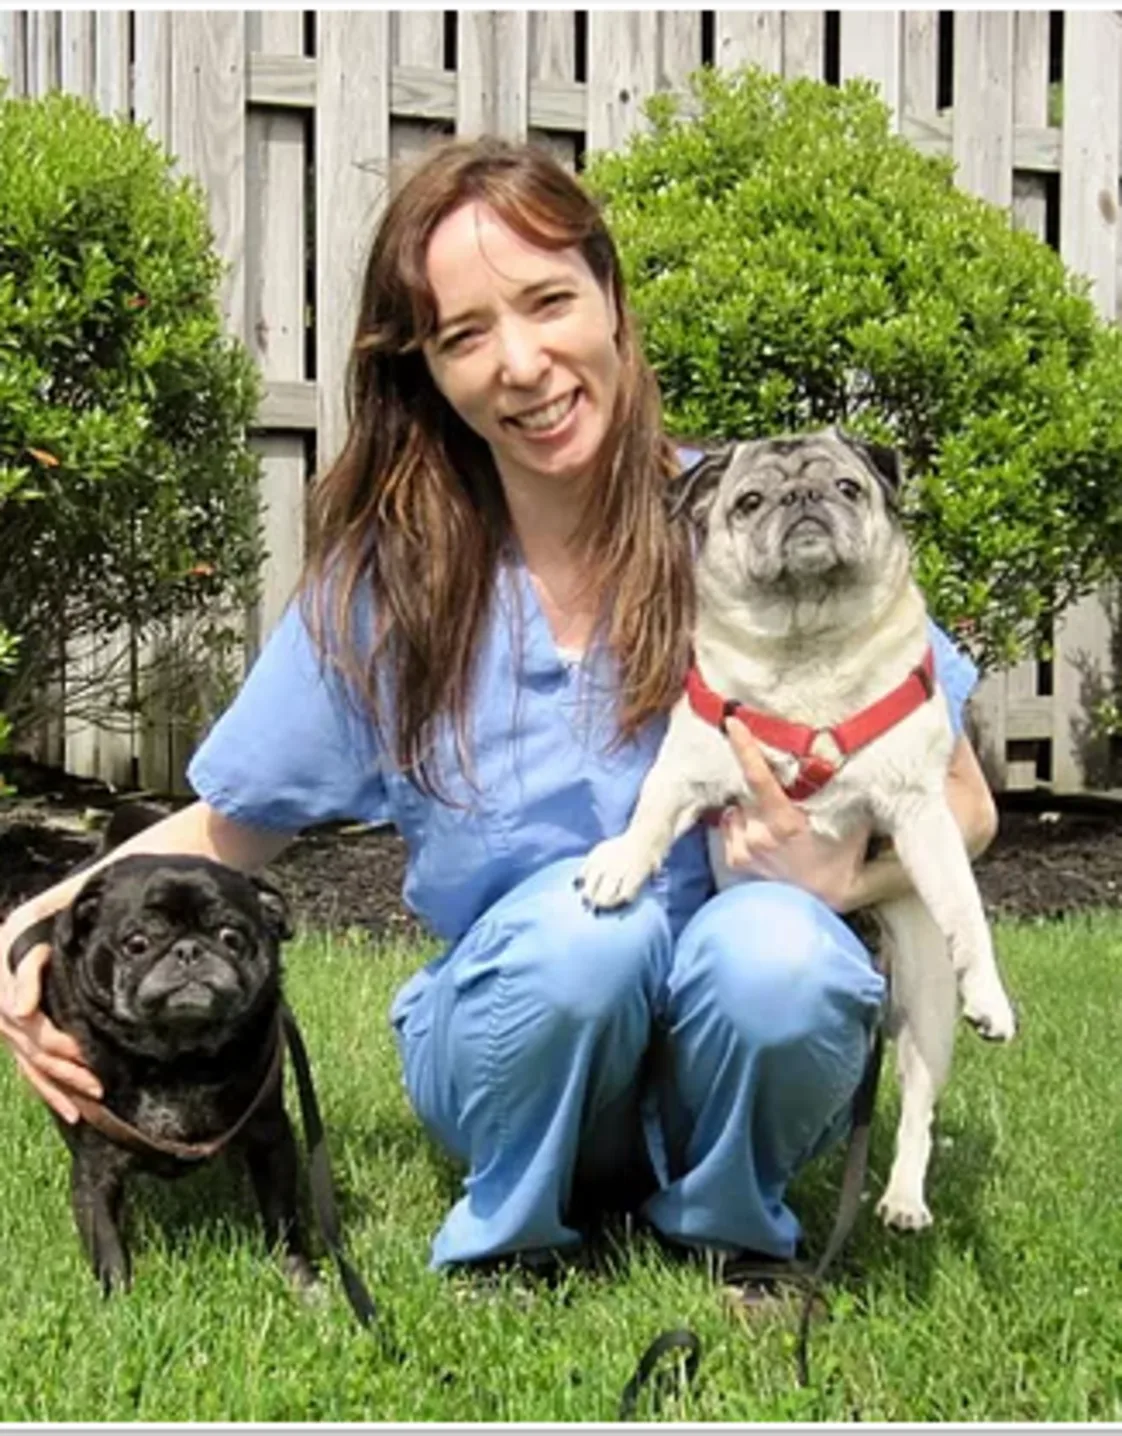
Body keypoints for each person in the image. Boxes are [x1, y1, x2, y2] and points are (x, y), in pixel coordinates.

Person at [0, 137, 996, 1278]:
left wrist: (847, 883)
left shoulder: (751, 515)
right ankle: (508, 1244)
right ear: (424, 366)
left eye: (548, 302)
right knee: (588, 929)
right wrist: (21, 933)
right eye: (466, 334)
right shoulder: (389, 584)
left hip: (738, 1043)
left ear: (613, 302)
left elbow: (961, 804)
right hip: (514, 1053)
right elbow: (225, 830)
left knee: (785, 947)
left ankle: (736, 1235)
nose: (521, 362)